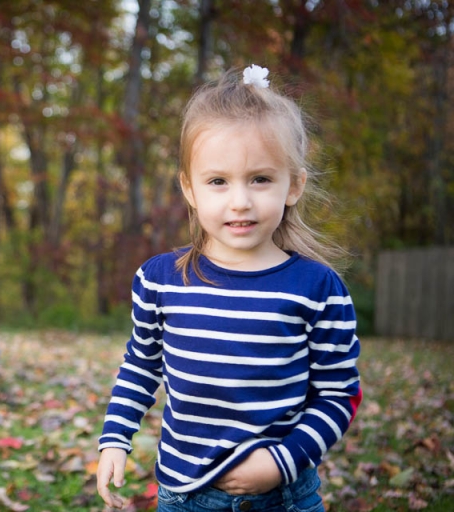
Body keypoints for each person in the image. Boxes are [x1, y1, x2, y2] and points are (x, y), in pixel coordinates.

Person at [96, 65, 362, 512]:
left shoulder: (317, 288)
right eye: (218, 181)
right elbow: (141, 366)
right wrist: (115, 439)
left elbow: (340, 393)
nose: (240, 201)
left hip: (283, 497)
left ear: (294, 185)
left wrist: (283, 460)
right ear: (190, 188)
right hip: (184, 494)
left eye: (260, 179)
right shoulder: (160, 280)